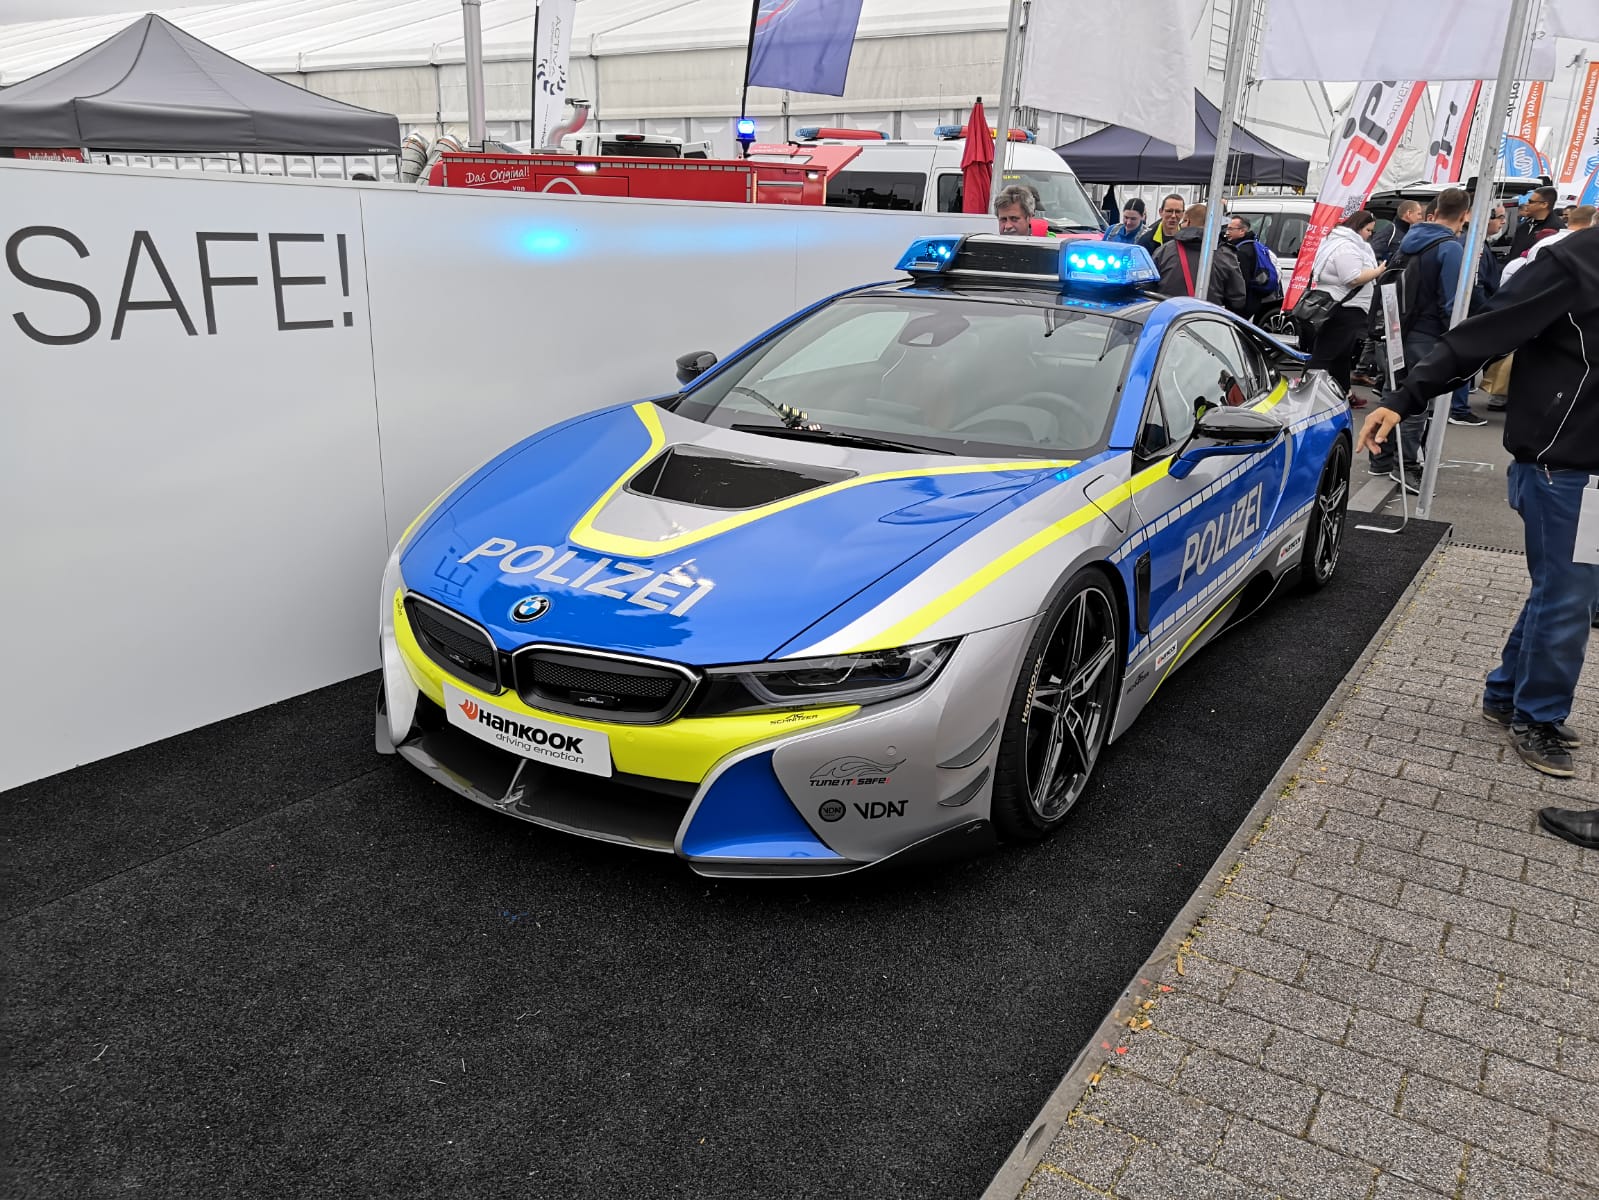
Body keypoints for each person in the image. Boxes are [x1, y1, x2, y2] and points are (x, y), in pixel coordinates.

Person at [1355, 226, 1599, 797]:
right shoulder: (1578, 261)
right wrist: (1404, 397)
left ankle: (1507, 696)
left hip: (1586, 469)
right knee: (1569, 595)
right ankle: (1536, 717)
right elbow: (1485, 332)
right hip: (1562, 467)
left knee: (1566, 591)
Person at [1370, 186, 1471, 491]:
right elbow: (1452, 304)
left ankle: (1381, 458)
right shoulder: (1450, 248)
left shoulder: (1408, 240)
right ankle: (1407, 465)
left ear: (1433, 212)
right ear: (1464, 216)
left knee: (1393, 393)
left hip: (1395, 329)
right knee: (1417, 399)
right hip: (1426, 334)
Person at [1305, 210, 1385, 397]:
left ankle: (1343, 392)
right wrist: (1378, 270)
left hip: (1343, 305)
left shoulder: (1337, 242)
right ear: (1358, 227)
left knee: (1341, 354)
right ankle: (1305, 393)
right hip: (1345, 307)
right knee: (1326, 354)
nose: (1370, 235)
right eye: (1368, 230)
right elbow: (1352, 278)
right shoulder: (1347, 247)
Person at [1153, 204, 1246, 314]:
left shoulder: (1164, 251)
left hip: (1169, 318)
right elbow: (1237, 300)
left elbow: (1148, 289)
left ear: (1187, 221)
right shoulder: (1226, 255)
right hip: (1206, 319)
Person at [1222, 214, 1280, 321]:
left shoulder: (1241, 252)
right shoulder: (1252, 244)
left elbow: (1241, 281)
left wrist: (1233, 302)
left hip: (1243, 303)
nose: (1227, 232)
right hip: (1254, 299)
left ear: (1242, 231)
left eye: (1231, 229)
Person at [1508, 185, 1563, 258]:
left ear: (1544, 204)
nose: (1526, 204)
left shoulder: (1555, 229)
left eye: (1530, 202)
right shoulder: (1526, 223)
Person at [1370, 199, 1421, 264]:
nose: (1420, 217)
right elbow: (1374, 254)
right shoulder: (1390, 230)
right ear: (1409, 213)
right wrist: (1384, 267)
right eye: (1418, 214)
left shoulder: (1411, 232)